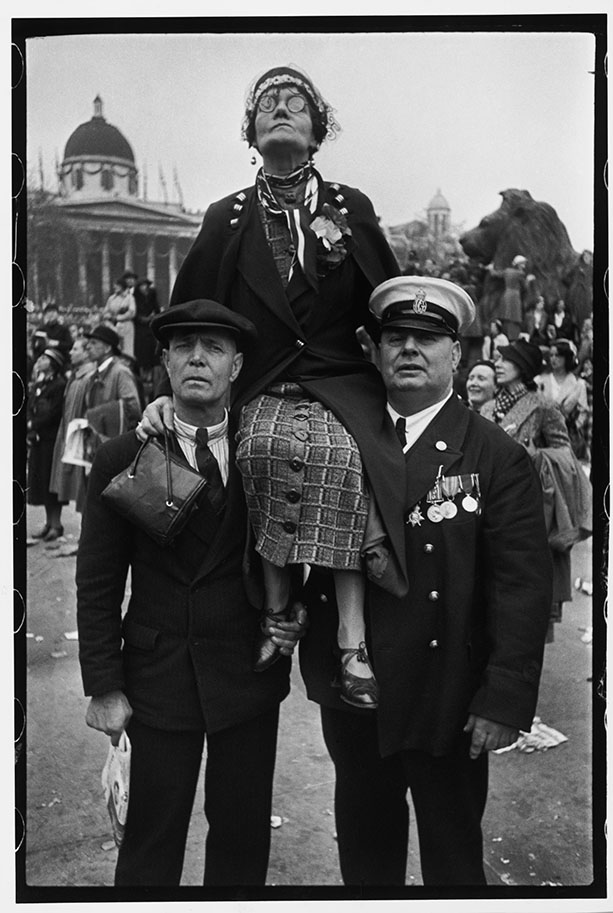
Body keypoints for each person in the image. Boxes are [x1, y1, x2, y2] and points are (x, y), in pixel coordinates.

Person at [142, 65, 406, 709]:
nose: (281, 110)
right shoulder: (226, 217)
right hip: (261, 381)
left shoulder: (352, 207)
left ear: (318, 132)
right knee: (257, 451)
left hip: (342, 380)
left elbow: (391, 310)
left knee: (346, 458)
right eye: (267, 106)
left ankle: (352, 641)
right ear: (252, 134)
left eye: (296, 104)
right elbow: (190, 315)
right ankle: (278, 614)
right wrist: (167, 394)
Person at [298, 275, 553, 886]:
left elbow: (521, 588)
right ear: (375, 349)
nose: (410, 348)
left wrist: (503, 700)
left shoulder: (494, 454)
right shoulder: (339, 434)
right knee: (365, 856)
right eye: (397, 336)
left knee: (453, 858)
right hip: (358, 693)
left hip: (450, 697)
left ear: (456, 354)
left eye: (428, 338)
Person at [76, 300, 307, 887]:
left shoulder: (271, 451)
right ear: (166, 362)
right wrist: (104, 686)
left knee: (241, 837)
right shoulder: (123, 456)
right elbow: (98, 582)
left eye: (214, 348)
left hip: (245, 675)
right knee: (152, 842)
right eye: (184, 347)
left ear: (237, 366)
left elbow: (302, 542)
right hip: (158, 676)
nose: (197, 358)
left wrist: (294, 609)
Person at [481, 338, 591, 642]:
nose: (498, 365)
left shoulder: (543, 406)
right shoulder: (488, 407)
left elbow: (567, 458)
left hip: (530, 512)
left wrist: (536, 456)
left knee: (527, 608)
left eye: (506, 360)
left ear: (524, 367)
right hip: (489, 510)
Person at [49, 335, 96, 519]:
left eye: (75, 349)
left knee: (84, 489)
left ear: (86, 353)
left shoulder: (89, 377)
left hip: (81, 438)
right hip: (68, 434)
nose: (71, 352)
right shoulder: (75, 376)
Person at [27, 348, 68, 542]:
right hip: (38, 438)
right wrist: (30, 425)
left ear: (52, 363)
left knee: (51, 483)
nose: (40, 361)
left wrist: (33, 424)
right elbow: (30, 406)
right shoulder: (40, 383)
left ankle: (56, 524)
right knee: (41, 482)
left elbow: (53, 412)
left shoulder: (59, 385)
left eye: (44, 358)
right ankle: (48, 522)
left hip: (51, 440)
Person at [83, 324, 143, 449]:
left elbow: (133, 409)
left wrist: (99, 414)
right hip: (96, 445)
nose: (88, 347)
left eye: (93, 343)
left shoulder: (121, 372)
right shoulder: (92, 376)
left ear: (107, 348)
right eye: (88, 343)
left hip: (114, 446)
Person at [537, 339, 589, 460]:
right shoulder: (540, 381)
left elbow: (583, 411)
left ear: (567, 357)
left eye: (558, 355)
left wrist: (574, 426)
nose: (554, 359)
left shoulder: (578, 384)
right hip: (543, 436)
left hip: (568, 436)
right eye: (551, 355)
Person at [485, 254, 531, 341]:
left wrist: (491, 268)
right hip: (515, 296)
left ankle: (506, 334)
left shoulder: (507, 271)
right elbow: (525, 287)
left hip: (506, 295)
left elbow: (495, 274)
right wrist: (528, 280)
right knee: (514, 317)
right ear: (518, 264)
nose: (524, 265)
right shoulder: (520, 274)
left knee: (506, 315)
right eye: (522, 264)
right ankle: (512, 337)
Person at [133, 276, 161, 394]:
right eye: (142, 285)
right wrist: (144, 319)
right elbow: (135, 315)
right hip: (140, 329)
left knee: (150, 353)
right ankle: (143, 375)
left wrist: (152, 318)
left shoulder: (152, 296)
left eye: (146, 285)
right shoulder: (135, 298)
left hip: (150, 329)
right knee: (141, 353)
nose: (144, 288)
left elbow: (157, 310)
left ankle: (149, 376)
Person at [102, 277, 137, 357]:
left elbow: (132, 312)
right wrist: (109, 318)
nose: (115, 287)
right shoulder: (111, 299)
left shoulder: (129, 298)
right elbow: (105, 312)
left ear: (122, 286)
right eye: (114, 286)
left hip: (126, 326)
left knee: (127, 349)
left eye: (117, 285)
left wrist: (118, 318)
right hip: (112, 327)